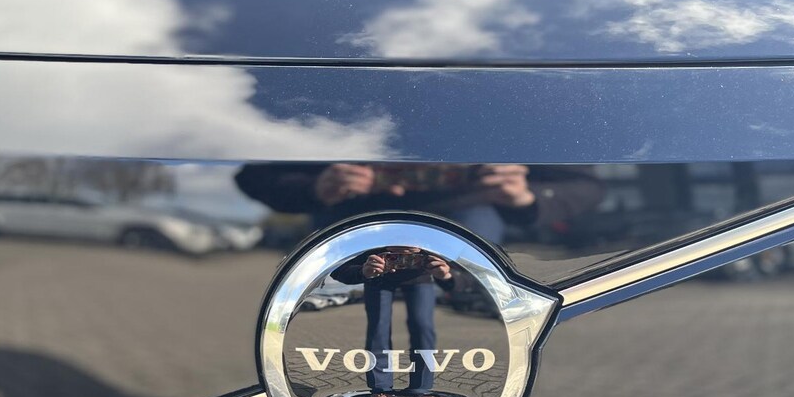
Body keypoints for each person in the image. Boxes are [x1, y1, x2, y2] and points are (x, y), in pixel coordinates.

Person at [234, 163, 602, 245]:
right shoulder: (329, 94)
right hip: (348, 227)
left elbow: (585, 187)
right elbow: (252, 176)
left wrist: (526, 196)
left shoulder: (514, 100)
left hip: (472, 230)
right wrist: (314, 186)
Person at [331, 247, 453, 397]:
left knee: (422, 327)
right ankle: (381, 387)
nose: (404, 249)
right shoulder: (377, 247)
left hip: (418, 278)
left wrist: (446, 275)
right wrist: (363, 271)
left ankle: (420, 387)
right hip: (378, 277)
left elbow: (462, 276)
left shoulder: (430, 249)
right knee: (379, 329)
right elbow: (337, 270)